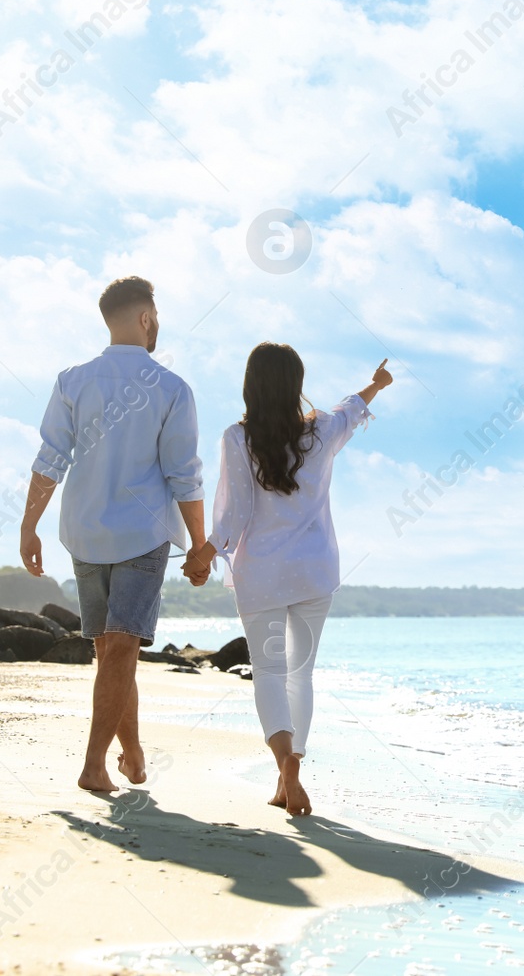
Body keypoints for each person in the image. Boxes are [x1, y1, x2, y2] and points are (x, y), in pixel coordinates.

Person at [184, 344, 393, 816]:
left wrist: (204, 554)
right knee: (302, 673)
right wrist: (377, 384)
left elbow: (233, 514)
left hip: (261, 575)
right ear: (296, 385)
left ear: (249, 385)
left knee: (270, 674)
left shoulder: (237, 438)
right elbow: (352, 407)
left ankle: (284, 767)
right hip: (315, 572)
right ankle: (293, 765)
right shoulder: (321, 431)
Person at [18, 276, 206, 793]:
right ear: (146, 318)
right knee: (117, 651)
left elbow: (49, 459)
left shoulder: (72, 380)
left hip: (83, 530)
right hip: (143, 535)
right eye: (157, 315)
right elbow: (183, 474)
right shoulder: (173, 388)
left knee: (115, 651)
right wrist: (198, 545)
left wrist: (29, 525)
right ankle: (94, 765)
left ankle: (132, 753)